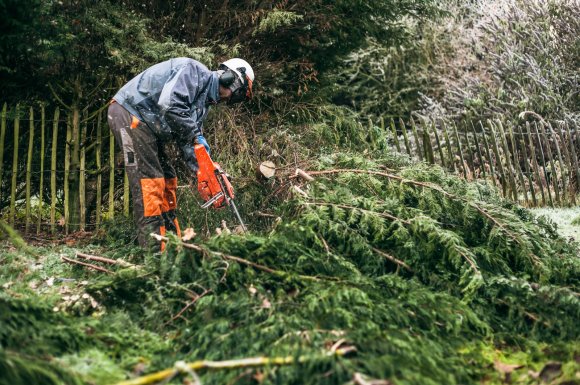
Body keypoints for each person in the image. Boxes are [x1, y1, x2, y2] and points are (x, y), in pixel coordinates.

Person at [107, 57, 254, 250]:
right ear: (230, 79)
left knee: (168, 180)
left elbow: (189, 143)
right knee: (150, 182)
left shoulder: (202, 106)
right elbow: (170, 105)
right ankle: (154, 254)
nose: (229, 99)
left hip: (149, 126)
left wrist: (207, 171)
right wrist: (195, 135)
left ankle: (172, 247)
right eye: (236, 94)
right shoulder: (193, 71)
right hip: (130, 113)